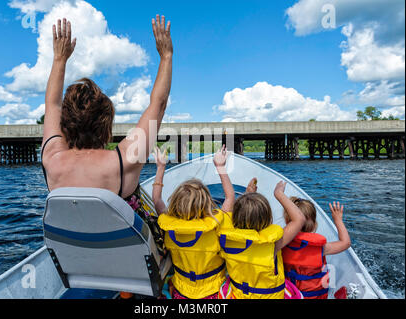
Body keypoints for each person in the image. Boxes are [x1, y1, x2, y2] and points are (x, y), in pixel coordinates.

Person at [41, 15, 172, 300]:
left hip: (84, 267)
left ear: (65, 125)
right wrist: (166, 56)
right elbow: (158, 105)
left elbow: (51, 104)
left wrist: (60, 59)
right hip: (134, 269)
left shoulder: (51, 158)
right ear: (107, 126)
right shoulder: (123, 161)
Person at [152, 145, 235, 299]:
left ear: (176, 202)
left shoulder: (168, 224)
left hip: (181, 292)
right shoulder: (217, 222)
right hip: (214, 293)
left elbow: (156, 200)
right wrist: (220, 167)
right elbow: (230, 197)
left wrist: (160, 167)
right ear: (206, 202)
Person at [218, 180, 306, 299]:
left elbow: (227, 209)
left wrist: (247, 195)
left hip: (239, 295)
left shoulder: (226, 240)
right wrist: (279, 193)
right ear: (268, 218)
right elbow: (299, 219)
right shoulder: (273, 244)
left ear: (236, 216)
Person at [282, 198, 351, 299]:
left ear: (287, 221)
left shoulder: (281, 244)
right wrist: (338, 220)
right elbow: (346, 243)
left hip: (291, 295)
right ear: (314, 224)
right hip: (317, 296)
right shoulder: (321, 248)